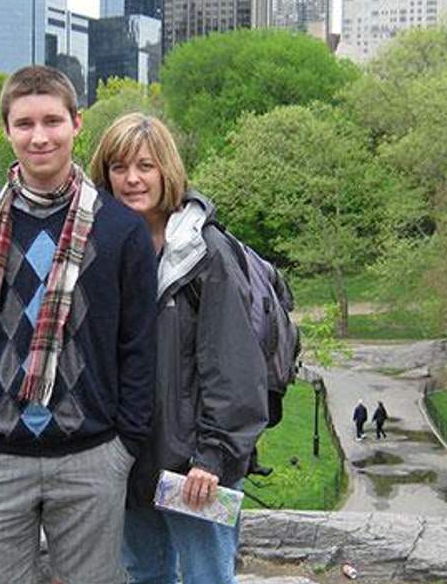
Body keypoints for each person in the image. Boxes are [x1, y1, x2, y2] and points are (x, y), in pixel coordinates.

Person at [0, 66, 158, 584]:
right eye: (25, 123)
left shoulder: (120, 230)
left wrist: (125, 443)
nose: (40, 137)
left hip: (92, 457)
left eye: (52, 121)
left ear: (76, 124)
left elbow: (137, 346)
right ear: (6, 130)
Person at [89, 113, 268, 584]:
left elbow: (234, 367)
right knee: (145, 574)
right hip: (128, 460)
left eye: (145, 166)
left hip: (194, 467)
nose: (132, 179)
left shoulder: (204, 252)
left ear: (166, 170)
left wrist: (213, 457)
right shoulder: (99, 249)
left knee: (208, 578)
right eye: (119, 167)